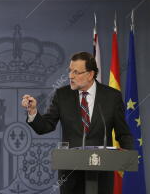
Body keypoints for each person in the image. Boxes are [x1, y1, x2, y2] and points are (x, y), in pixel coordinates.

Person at [21, 52, 133, 194]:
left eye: (76, 72)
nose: (70, 76)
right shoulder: (62, 95)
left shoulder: (112, 96)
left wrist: (128, 155)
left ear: (90, 74)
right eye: (70, 71)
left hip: (102, 175)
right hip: (70, 176)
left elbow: (123, 133)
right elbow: (46, 126)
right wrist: (32, 111)